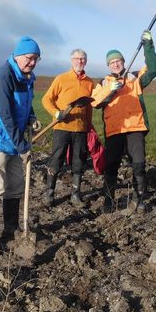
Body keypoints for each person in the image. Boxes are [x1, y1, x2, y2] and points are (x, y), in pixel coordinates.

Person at [0, 36, 42, 254]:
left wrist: (32, 117)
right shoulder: (3, 76)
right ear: (17, 55)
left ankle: (11, 229)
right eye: (29, 58)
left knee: (15, 185)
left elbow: (26, 103)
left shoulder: (28, 77)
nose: (32, 62)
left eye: (36, 59)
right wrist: (22, 146)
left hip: (14, 139)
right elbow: (5, 115)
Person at [91, 30, 156, 213]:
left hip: (135, 127)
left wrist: (148, 45)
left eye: (118, 61)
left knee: (138, 164)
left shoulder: (135, 78)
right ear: (108, 65)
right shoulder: (102, 83)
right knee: (111, 165)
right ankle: (108, 200)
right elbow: (96, 103)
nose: (115, 64)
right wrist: (110, 90)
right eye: (112, 62)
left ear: (123, 62)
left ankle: (140, 199)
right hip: (114, 131)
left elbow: (154, 68)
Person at [41, 49, 94, 207]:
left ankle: (75, 195)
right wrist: (56, 113)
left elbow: (91, 106)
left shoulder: (89, 82)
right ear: (72, 61)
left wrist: (88, 126)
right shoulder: (61, 79)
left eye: (83, 59)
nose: (80, 61)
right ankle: (49, 193)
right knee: (57, 159)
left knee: (79, 162)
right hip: (62, 127)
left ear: (86, 61)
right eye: (77, 59)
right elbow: (46, 99)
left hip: (81, 129)